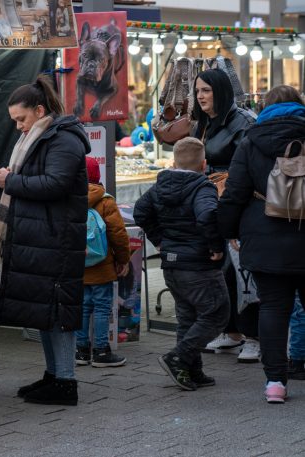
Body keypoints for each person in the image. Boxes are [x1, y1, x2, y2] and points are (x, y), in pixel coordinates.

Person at [0, 74, 89, 406]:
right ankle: (54, 375)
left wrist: (10, 182)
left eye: (21, 119)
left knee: (57, 311)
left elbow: (55, 184)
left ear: (39, 109)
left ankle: (66, 381)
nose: (17, 127)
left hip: (56, 239)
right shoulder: (47, 137)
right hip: (44, 237)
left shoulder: (63, 140)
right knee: (46, 310)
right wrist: (12, 179)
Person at [217, 84, 305, 403]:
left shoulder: (251, 140)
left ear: (265, 107)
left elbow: (235, 193)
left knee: (272, 309)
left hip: (265, 236)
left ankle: (276, 383)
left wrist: (226, 232)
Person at [134, 136, 229, 391]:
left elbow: (140, 211)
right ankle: (178, 358)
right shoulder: (202, 187)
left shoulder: (160, 185)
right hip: (198, 265)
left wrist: (160, 241)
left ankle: (191, 371)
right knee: (217, 313)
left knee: (187, 316)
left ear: (174, 162)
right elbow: (208, 214)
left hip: (172, 265)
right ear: (204, 163)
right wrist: (216, 248)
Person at [192, 69, 258, 362]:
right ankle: (231, 332)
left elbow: (249, 168)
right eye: (197, 91)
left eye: (205, 90)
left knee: (241, 271)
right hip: (211, 200)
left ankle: (253, 337)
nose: (200, 96)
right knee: (220, 271)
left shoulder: (242, 122)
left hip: (236, 203)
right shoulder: (204, 123)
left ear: (220, 90)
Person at [75, 157, 131, 368]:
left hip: (78, 265)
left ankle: (81, 351)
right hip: (102, 266)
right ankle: (101, 351)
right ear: (97, 176)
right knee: (101, 308)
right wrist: (123, 260)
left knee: (82, 307)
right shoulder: (106, 201)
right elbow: (118, 233)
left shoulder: (70, 200)